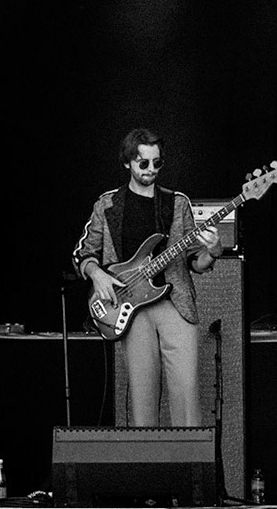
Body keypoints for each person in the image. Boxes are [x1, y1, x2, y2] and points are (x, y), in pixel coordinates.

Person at [71, 127, 224, 426]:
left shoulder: (177, 203)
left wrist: (214, 251)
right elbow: (83, 252)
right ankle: (149, 469)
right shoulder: (107, 205)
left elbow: (196, 262)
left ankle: (188, 468)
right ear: (127, 162)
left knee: (186, 392)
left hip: (175, 302)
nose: (151, 170)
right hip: (130, 306)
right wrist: (97, 275)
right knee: (142, 398)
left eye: (157, 163)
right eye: (144, 163)